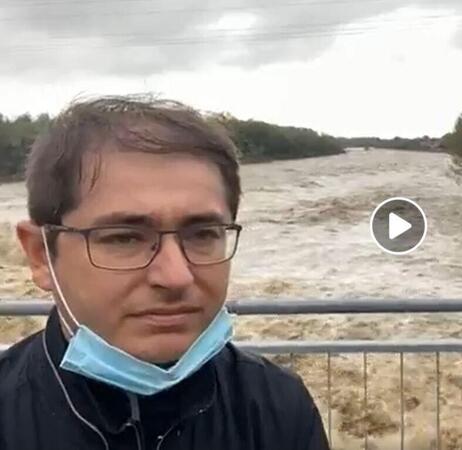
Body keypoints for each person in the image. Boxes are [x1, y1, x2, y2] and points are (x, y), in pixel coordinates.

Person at [0, 96, 330, 449]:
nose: (176, 276)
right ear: (40, 255)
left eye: (202, 234)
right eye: (125, 238)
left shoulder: (277, 408)